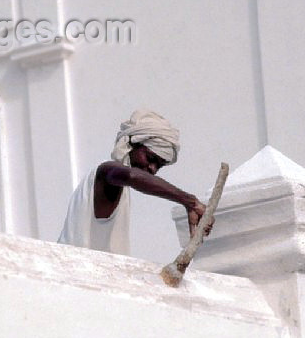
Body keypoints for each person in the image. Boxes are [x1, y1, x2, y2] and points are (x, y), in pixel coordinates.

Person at [57, 109, 213, 254]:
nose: (153, 169)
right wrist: (190, 202)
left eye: (159, 165)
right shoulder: (105, 172)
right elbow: (132, 176)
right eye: (151, 159)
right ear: (131, 145)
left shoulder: (120, 188)